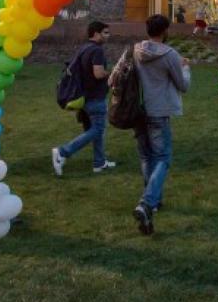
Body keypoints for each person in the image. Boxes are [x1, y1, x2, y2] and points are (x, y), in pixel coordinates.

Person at [115, 14, 191, 235]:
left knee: (147, 157)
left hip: (138, 110)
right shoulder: (170, 54)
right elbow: (183, 85)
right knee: (163, 158)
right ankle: (147, 202)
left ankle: (153, 201)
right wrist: (185, 68)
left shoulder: (135, 50)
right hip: (158, 111)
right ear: (165, 31)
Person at [52, 21, 116, 175]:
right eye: (105, 33)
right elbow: (98, 73)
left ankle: (99, 163)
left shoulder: (84, 48)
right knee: (97, 129)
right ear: (96, 33)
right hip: (95, 97)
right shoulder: (97, 51)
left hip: (85, 97)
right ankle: (62, 152)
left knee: (97, 130)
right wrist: (112, 73)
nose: (108, 36)